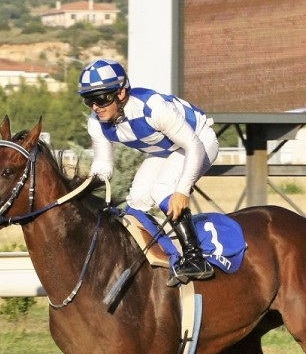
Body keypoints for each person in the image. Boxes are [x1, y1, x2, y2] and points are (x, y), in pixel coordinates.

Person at [79, 58, 218, 286]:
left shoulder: (152, 107)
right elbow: (103, 167)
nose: (96, 107)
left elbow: (193, 146)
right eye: (89, 101)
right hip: (164, 150)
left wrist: (182, 190)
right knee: (137, 199)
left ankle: (196, 257)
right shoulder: (97, 123)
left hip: (198, 141)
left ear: (121, 93)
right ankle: (162, 256)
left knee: (163, 189)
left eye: (102, 98)